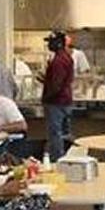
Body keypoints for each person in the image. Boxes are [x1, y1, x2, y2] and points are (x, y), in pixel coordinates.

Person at [41, 31, 74, 160]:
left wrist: (47, 96)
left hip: (56, 102)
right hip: (64, 101)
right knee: (64, 134)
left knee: (55, 135)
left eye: (50, 42)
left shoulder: (58, 61)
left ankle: (58, 160)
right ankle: (66, 157)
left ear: (58, 43)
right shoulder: (66, 58)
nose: (49, 45)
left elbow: (56, 85)